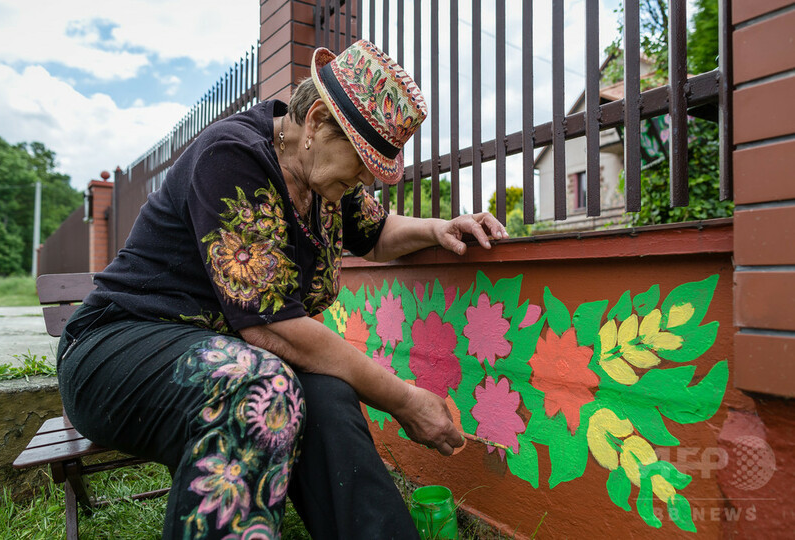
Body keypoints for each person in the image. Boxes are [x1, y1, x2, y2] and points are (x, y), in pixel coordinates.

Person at [57, 39, 508, 539]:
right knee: (261, 384)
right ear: (315, 121)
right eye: (360, 161)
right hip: (116, 349)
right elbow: (276, 331)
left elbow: (377, 233)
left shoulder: (322, 182)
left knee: (328, 392)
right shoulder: (231, 156)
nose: (364, 179)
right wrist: (403, 398)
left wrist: (437, 228)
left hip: (225, 353)